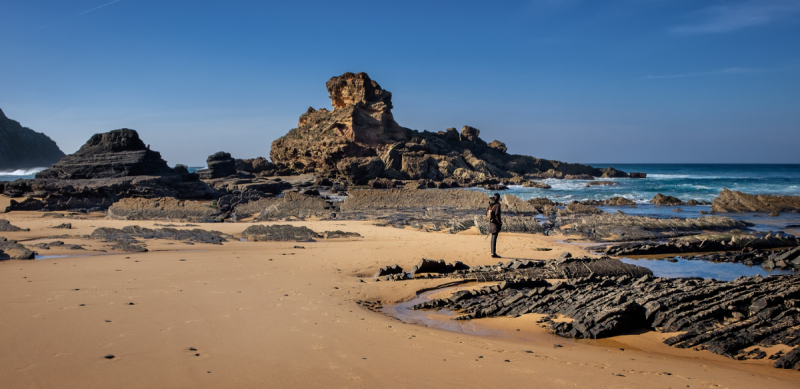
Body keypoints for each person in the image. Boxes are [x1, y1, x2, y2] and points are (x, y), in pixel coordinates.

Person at [488, 193, 502, 258]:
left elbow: (486, 213)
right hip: (495, 223)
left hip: (491, 222)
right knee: (494, 237)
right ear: (498, 198)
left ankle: (492, 253)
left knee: (493, 237)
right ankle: (493, 253)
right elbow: (497, 214)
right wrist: (500, 222)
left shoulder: (490, 204)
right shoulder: (497, 205)